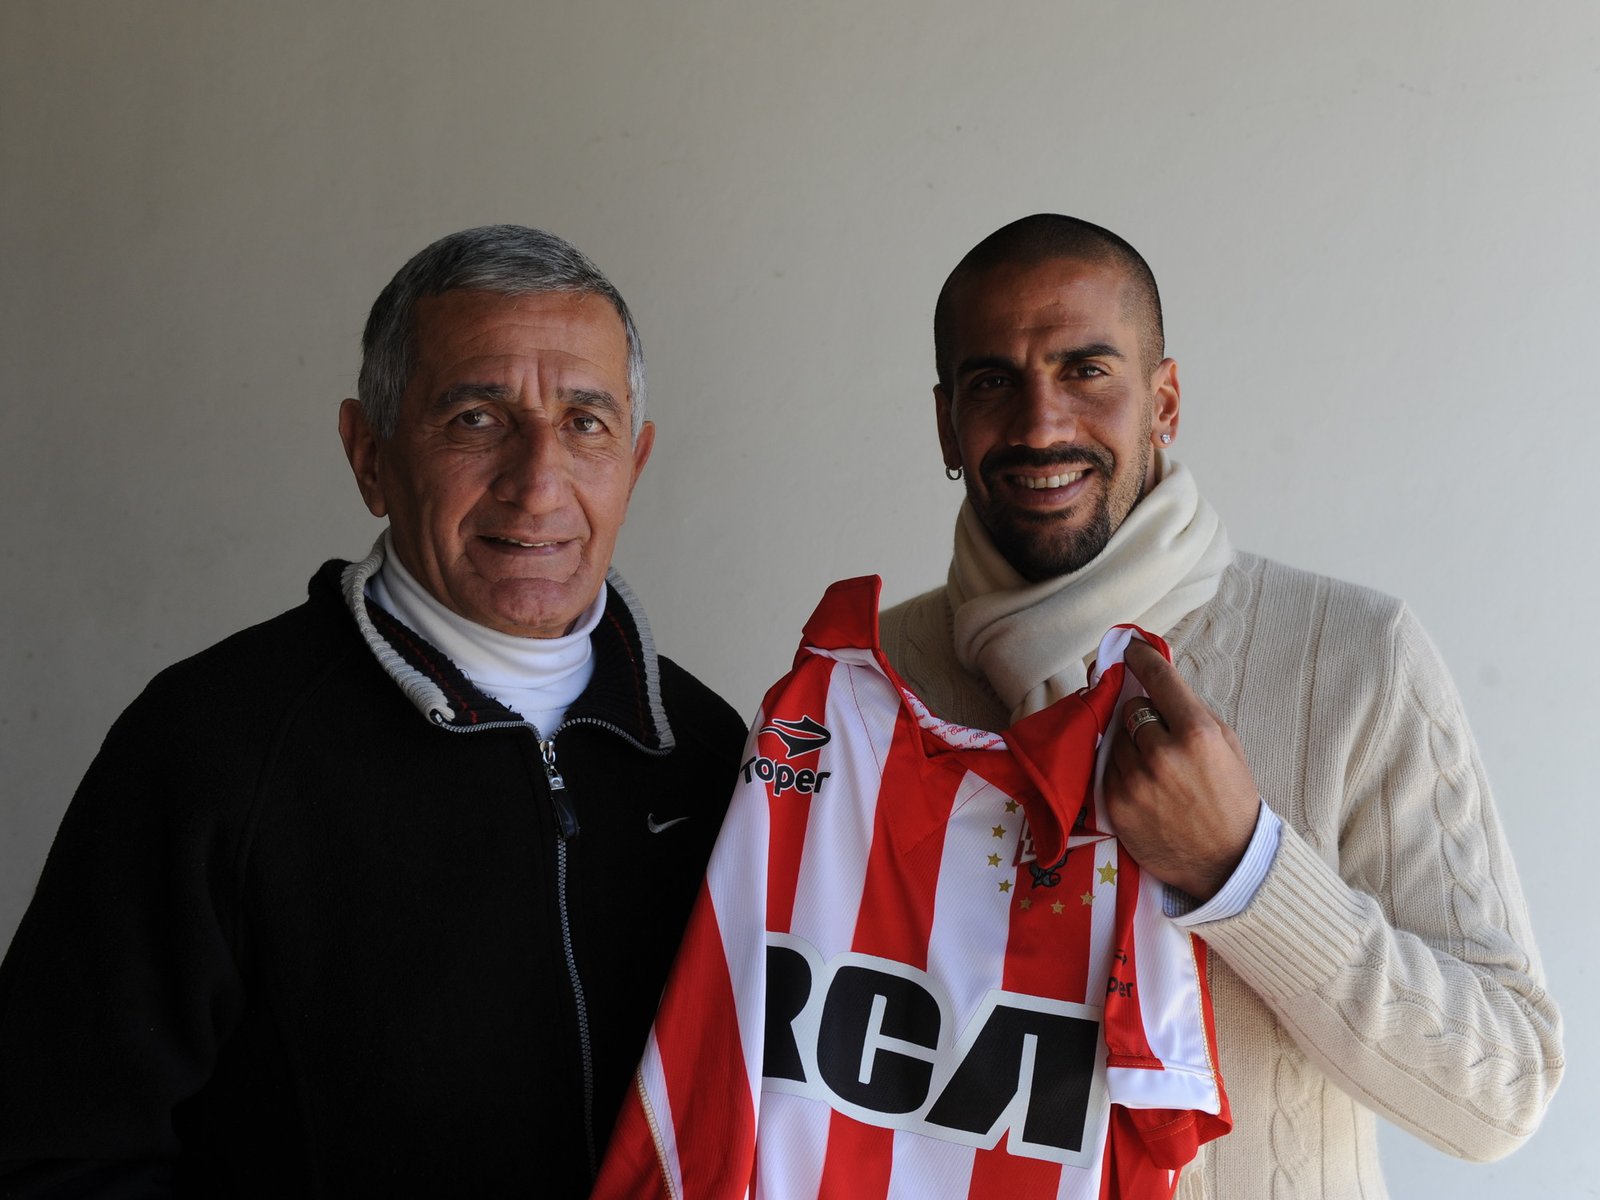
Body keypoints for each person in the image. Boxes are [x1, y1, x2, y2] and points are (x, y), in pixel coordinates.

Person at [0, 225, 747, 1197]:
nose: (537, 484)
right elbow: (54, 1157)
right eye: (475, 418)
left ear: (634, 463)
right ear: (369, 455)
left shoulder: (715, 754)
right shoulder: (211, 746)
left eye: (584, 423)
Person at [876, 214, 1564, 1198]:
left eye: (1086, 371)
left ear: (1163, 402)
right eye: (993, 382)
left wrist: (1243, 868)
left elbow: (1499, 1094)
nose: (1040, 425)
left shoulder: (1354, 657)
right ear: (947, 422)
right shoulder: (873, 679)